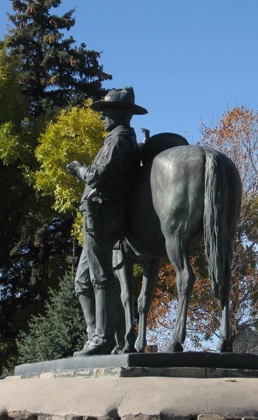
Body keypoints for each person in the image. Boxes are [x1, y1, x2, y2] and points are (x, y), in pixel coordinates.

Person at [67, 87, 147, 356]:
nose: (102, 116)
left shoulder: (119, 139)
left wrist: (79, 168)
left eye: (107, 111)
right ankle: (98, 336)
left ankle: (103, 339)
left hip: (102, 214)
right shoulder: (118, 138)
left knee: (100, 276)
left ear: (122, 114)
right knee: (82, 281)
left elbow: (96, 176)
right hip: (99, 213)